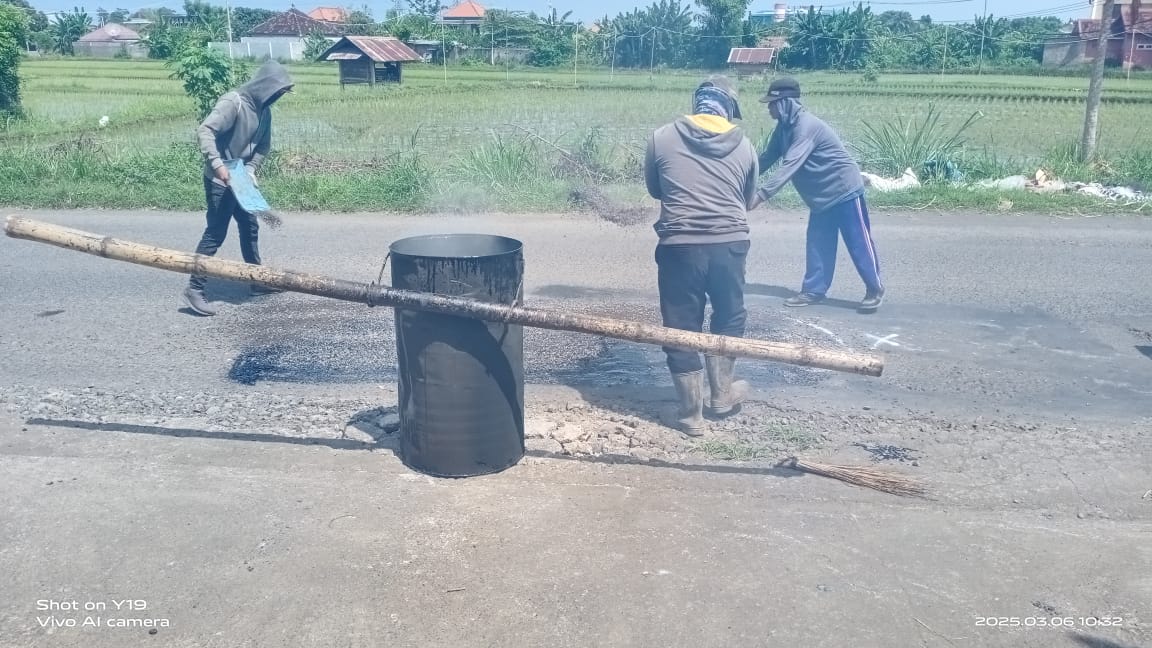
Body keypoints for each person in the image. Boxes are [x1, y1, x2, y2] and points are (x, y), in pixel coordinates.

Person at [643, 76, 759, 436]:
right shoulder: (746, 146)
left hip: (680, 246)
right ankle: (722, 395)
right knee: (730, 314)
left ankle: (690, 415)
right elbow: (747, 199)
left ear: (698, 104)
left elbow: (656, 190)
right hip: (730, 245)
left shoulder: (660, 138)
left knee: (680, 325)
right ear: (729, 109)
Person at [751, 77, 885, 313]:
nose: (769, 108)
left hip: (843, 189)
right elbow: (767, 158)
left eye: (772, 103)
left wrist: (760, 196)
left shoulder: (806, 127)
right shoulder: (783, 129)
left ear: (785, 103)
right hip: (821, 197)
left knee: (858, 242)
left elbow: (789, 166)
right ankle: (814, 290)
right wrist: (741, 178)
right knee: (818, 243)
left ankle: (875, 289)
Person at [181, 60, 294, 317]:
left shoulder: (264, 111)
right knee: (215, 233)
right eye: (277, 91)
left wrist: (251, 169)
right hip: (220, 179)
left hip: (240, 177)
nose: (277, 97)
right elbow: (205, 131)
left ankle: (256, 280)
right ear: (265, 86)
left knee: (250, 227)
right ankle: (194, 288)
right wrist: (218, 165)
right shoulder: (234, 102)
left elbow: (263, 146)